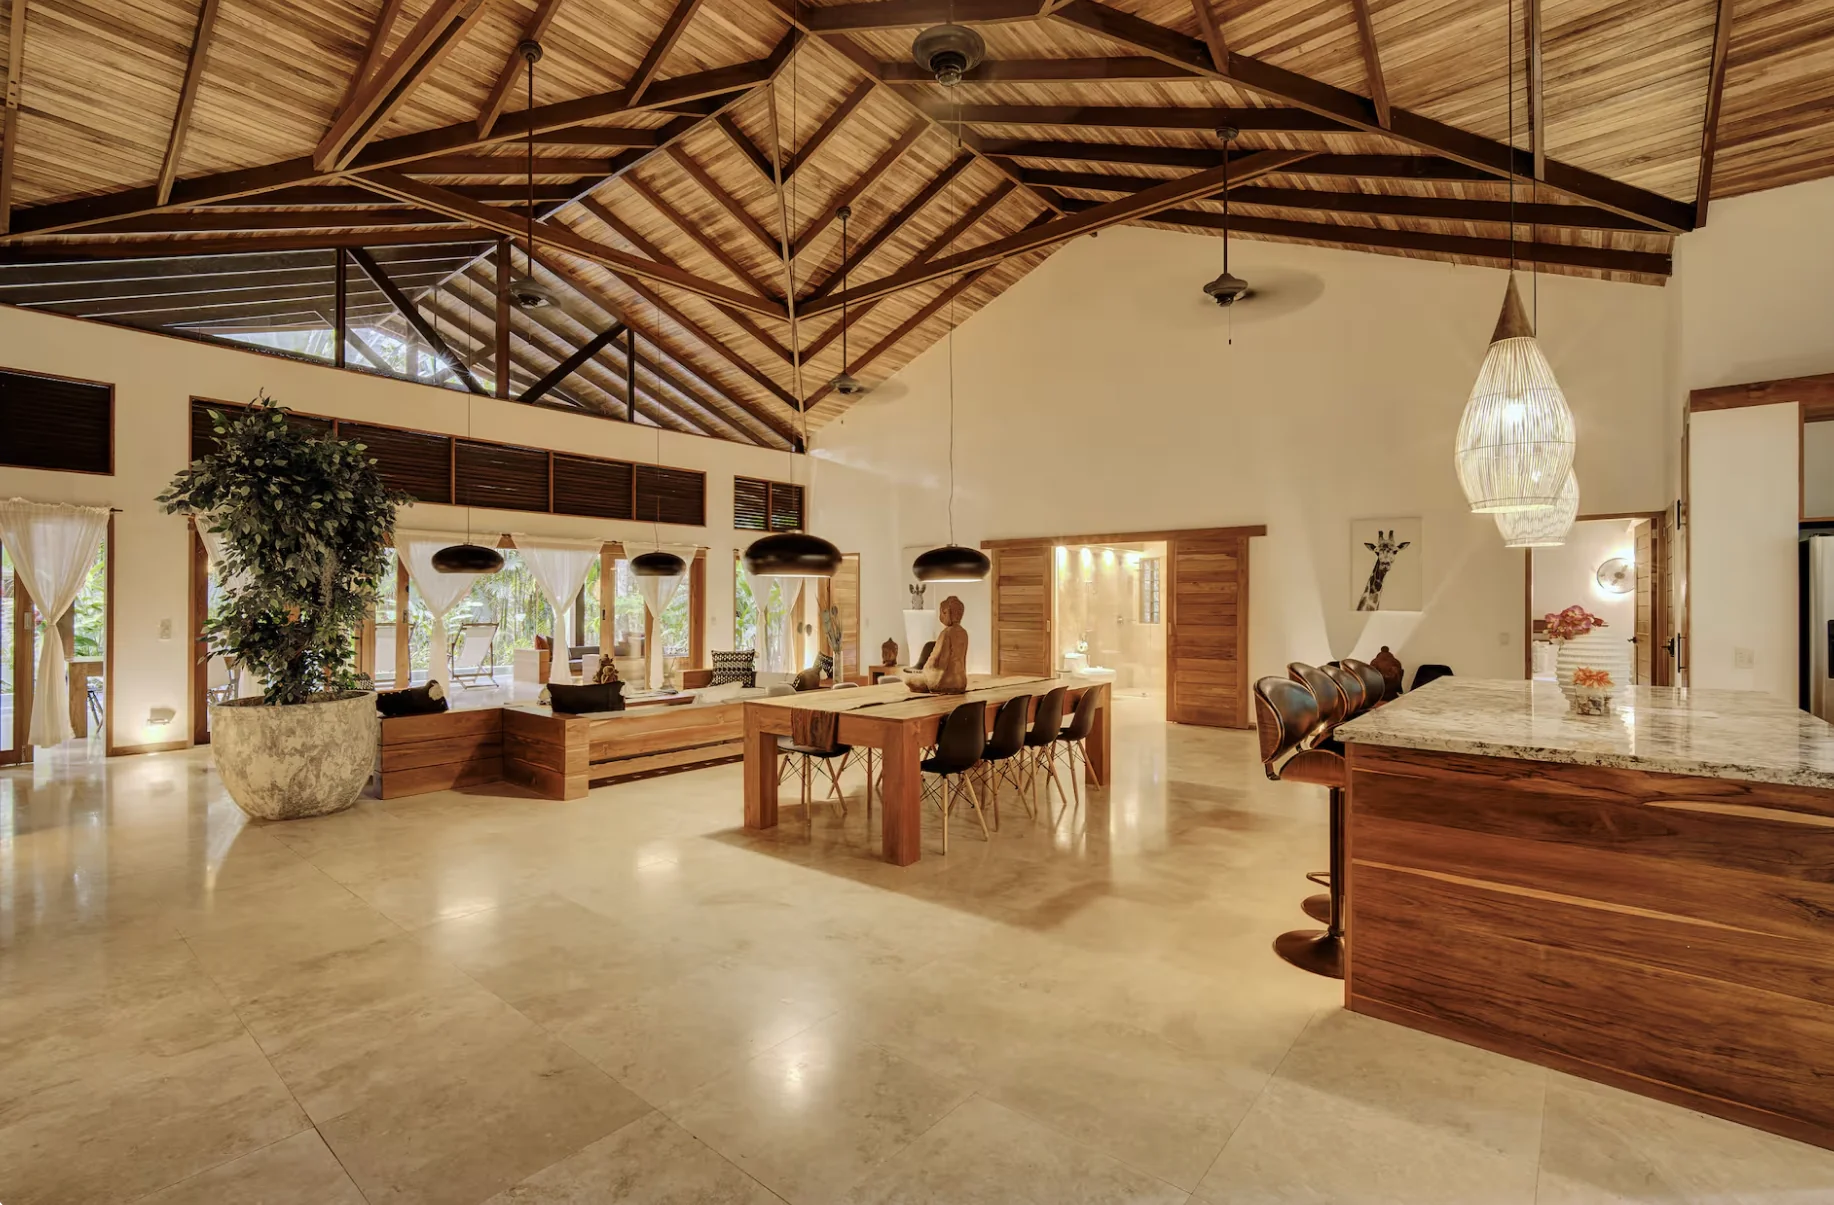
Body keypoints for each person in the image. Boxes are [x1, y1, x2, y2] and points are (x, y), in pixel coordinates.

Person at [907, 595, 968, 694]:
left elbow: (939, 661)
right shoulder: (964, 633)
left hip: (944, 682)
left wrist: (926, 670)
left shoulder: (946, 633)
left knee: (909, 680)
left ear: (947, 613)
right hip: (961, 682)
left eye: (942, 613)